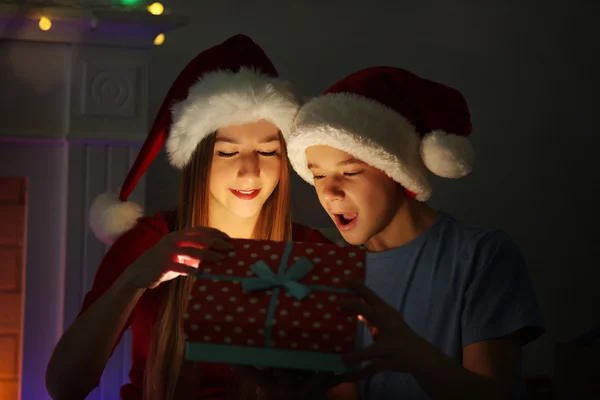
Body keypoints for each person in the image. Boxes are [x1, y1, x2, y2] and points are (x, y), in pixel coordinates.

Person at [45, 34, 338, 400]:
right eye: (228, 153)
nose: (250, 172)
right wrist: (134, 280)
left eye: (267, 151)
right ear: (197, 160)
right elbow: (64, 385)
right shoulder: (151, 243)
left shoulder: (310, 252)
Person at [286, 66, 546, 399]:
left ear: (398, 171)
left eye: (349, 172)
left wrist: (415, 356)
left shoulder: (480, 255)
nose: (329, 193)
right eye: (318, 176)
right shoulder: (334, 272)